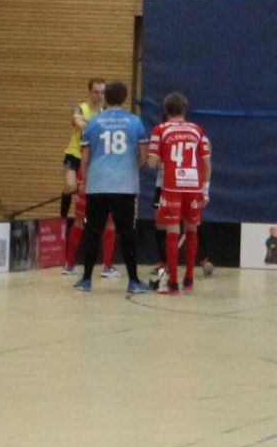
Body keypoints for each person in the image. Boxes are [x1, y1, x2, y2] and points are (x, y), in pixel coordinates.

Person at [76, 80, 151, 297]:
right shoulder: (135, 122)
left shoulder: (94, 122)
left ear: (105, 97)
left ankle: (86, 279)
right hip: (125, 186)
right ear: (125, 98)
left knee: (93, 232)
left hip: (98, 185)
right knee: (127, 233)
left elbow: (85, 157)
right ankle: (134, 281)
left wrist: (85, 181)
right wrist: (131, 166)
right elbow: (144, 155)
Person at [144, 92, 212, 294]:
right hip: (193, 186)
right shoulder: (197, 130)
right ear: (185, 109)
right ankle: (189, 280)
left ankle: (172, 283)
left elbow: (152, 163)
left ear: (166, 110)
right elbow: (207, 164)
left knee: (172, 232)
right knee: (192, 229)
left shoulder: (160, 130)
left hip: (172, 186)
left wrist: (161, 157)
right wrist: (205, 191)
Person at [61, 77, 106, 255]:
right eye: (96, 92)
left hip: (92, 159)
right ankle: (62, 218)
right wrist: (97, 126)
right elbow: (79, 124)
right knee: (70, 186)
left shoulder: (105, 112)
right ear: (90, 93)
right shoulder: (81, 108)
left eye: (102, 92)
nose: (99, 96)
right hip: (74, 155)